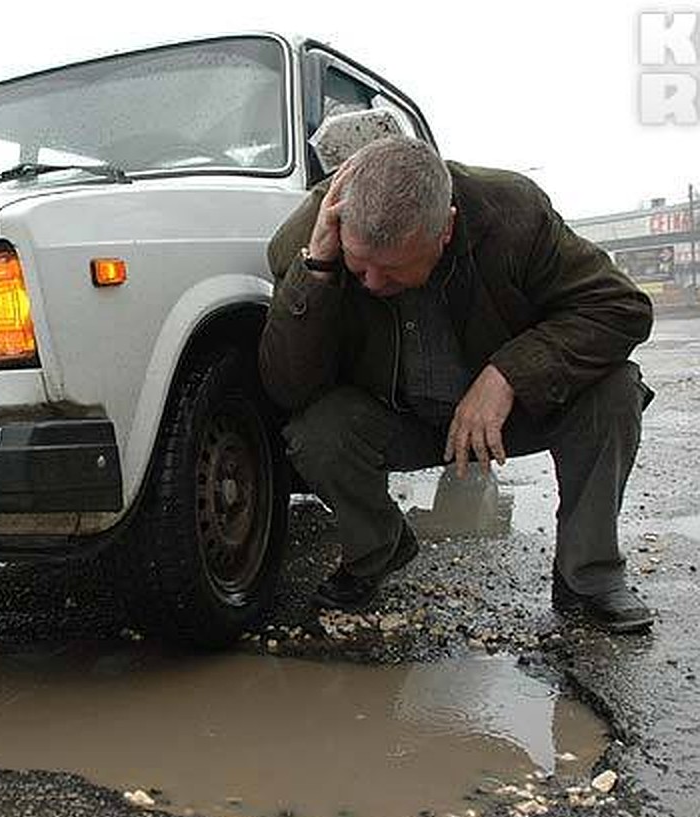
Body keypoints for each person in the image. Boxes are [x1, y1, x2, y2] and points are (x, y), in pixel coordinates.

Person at [258, 135, 654, 633]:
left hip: (507, 417)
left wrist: (509, 373)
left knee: (613, 389)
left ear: (445, 228)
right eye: (360, 267)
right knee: (316, 431)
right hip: (397, 418)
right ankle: (377, 551)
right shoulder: (308, 240)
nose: (374, 283)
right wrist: (317, 270)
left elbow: (622, 308)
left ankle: (588, 575)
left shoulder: (513, 213)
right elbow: (288, 389)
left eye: (395, 270)